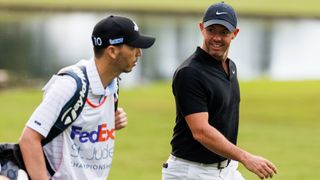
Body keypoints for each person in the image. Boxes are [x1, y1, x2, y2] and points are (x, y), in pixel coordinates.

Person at [18, 15, 155, 180]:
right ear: (112, 51)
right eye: (133, 47)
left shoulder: (112, 83)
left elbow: (82, 123)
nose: (139, 53)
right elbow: (29, 139)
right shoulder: (69, 85)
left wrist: (108, 121)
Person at [162, 2, 277, 180]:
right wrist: (246, 157)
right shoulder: (190, 73)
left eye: (223, 32)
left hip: (226, 169)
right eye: (211, 30)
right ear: (201, 28)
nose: (216, 37)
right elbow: (200, 131)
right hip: (192, 172)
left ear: (235, 34)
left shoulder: (230, 67)